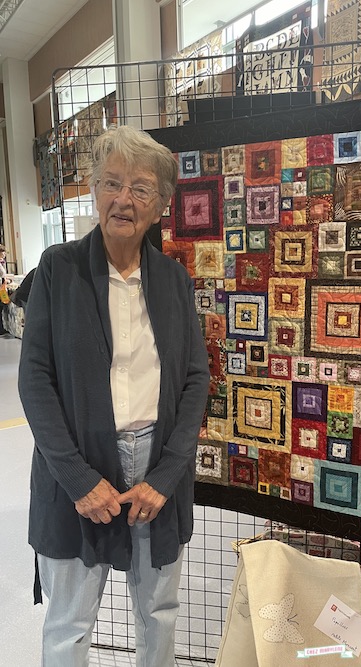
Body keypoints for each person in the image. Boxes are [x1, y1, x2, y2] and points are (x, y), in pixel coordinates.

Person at [18, 125, 210, 667]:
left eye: (140, 188)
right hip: (76, 463)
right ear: (95, 190)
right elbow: (35, 380)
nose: (123, 199)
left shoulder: (173, 281)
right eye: (111, 182)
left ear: (161, 205)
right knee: (69, 623)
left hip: (156, 464)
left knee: (159, 613)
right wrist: (78, 480)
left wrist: (166, 476)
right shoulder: (57, 270)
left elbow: (195, 379)